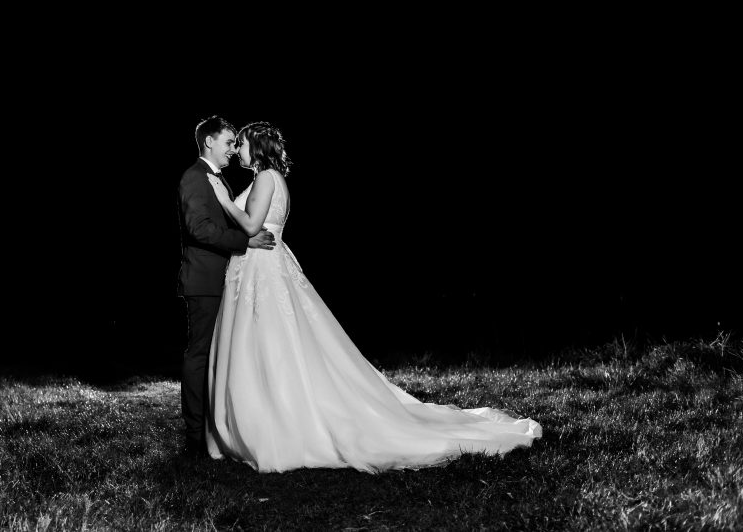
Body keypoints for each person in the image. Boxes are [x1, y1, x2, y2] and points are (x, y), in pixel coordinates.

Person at [203, 121, 542, 474]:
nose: (237, 149)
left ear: (255, 147)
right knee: (277, 343)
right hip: (264, 266)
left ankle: (277, 425)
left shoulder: (265, 178)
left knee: (272, 342)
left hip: (264, 270)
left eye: (240, 143)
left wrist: (224, 199)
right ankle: (267, 416)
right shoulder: (274, 179)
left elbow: (251, 225)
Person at [177, 116, 276, 461]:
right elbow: (199, 230)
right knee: (200, 355)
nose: (233, 150)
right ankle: (194, 436)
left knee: (219, 357)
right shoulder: (194, 177)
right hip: (204, 281)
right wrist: (246, 241)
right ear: (209, 142)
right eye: (229, 143)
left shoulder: (219, 180)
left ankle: (215, 429)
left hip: (225, 280)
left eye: (237, 144)